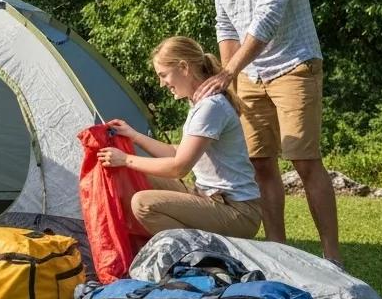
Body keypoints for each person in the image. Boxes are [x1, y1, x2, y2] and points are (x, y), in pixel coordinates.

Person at [185, 0, 341, 263]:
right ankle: (279, 253)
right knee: (260, 162)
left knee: (304, 161)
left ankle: (333, 258)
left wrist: (227, 73)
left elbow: (265, 22)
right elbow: (226, 25)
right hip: (248, 73)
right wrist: (229, 83)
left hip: (293, 66)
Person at [99, 37, 262, 237]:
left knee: (143, 204)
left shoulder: (210, 107)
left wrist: (125, 159)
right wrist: (134, 136)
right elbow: (177, 152)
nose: (161, 83)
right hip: (212, 199)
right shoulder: (200, 104)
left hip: (238, 212)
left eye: (163, 75)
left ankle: (198, 250)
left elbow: (179, 168)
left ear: (184, 67)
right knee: (139, 176)